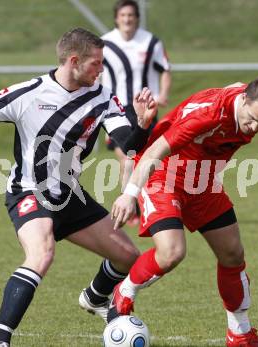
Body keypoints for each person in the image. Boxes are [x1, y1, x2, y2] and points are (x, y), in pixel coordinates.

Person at [0, 27, 158, 347]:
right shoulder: (29, 93)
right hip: (29, 192)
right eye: (96, 63)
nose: (101, 69)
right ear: (74, 61)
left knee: (128, 257)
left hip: (69, 197)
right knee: (42, 254)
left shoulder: (102, 96)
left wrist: (143, 124)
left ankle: (94, 298)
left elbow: (128, 143)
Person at [109, 76, 258, 347]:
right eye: (251, 118)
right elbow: (154, 151)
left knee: (232, 253)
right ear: (244, 99)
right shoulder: (209, 115)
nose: (253, 128)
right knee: (172, 253)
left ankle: (239, 334)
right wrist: (128, 195)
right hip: (164, 175)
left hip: (202, 182)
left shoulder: (248, 102)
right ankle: (124, 291)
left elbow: (235, 86)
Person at [101, 0, 172, 225]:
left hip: (146, 108)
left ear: (137, 18)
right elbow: (98, 77)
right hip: (118, 108)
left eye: (131, 15)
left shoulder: (150, 42)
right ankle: (130, 208)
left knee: (148, 160)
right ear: (116, 18)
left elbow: (165, 70)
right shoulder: (105, 43)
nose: (127, 19)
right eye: (123, 15)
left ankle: (143, 206)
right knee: (127, 159)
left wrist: (162, 94)